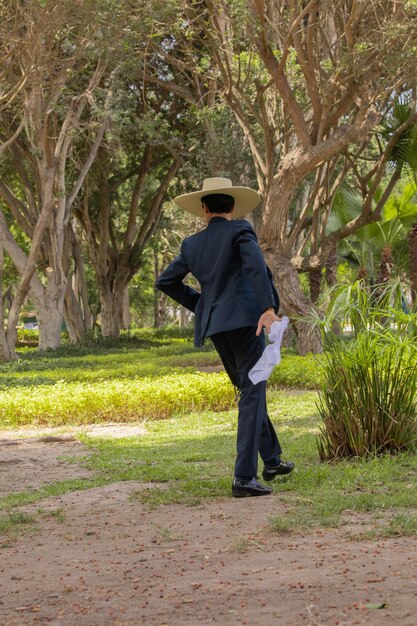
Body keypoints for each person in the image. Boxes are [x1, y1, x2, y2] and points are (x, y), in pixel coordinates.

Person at [155, 178, 294, 497]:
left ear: (204, 209)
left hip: (217, 327)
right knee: (252, 390)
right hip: (249, 323)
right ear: (232, 206)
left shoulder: (191, 245)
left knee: (248, 389)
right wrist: (268, 309)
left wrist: (205, 305)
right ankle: (244, 477)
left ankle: (271, 460)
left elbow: (167, 282)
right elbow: (257, 269)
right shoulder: (240, 230)